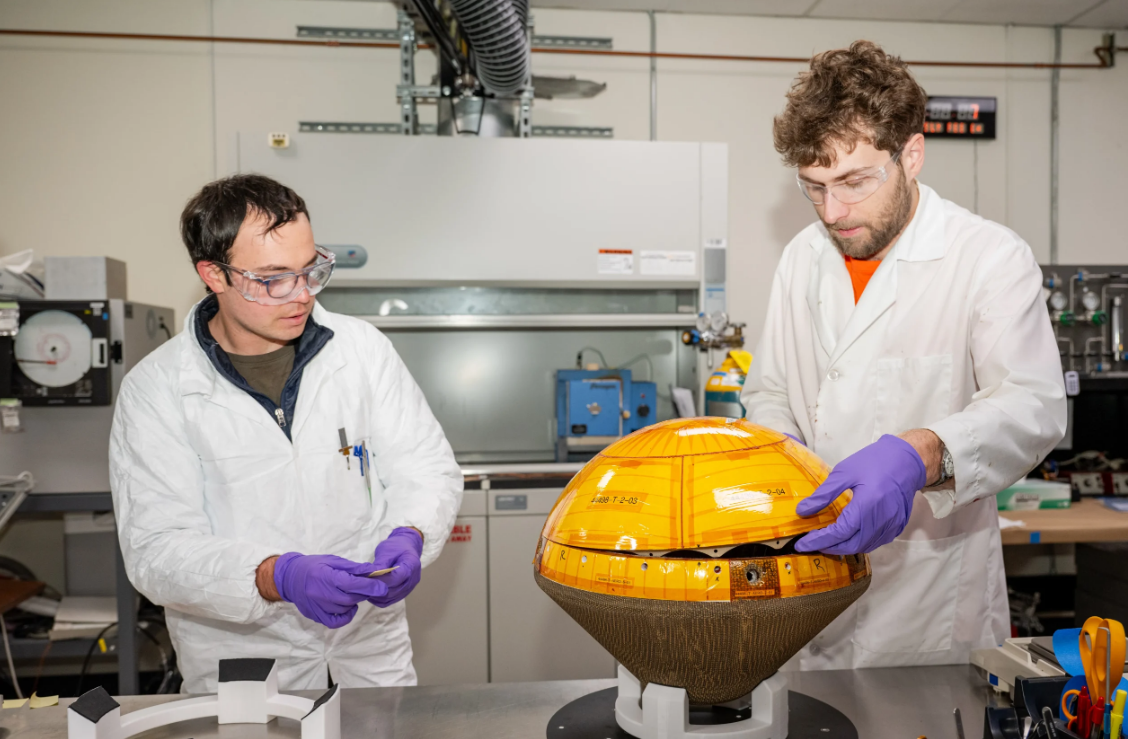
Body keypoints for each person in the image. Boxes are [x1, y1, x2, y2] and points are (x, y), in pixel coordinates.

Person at [742, 41, 1066, 669]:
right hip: (810, 595)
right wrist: (788, 478)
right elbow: (771, 390)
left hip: (933, 607)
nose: (834, 211)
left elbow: (1032, 407)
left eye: (855, 181)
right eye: (814, 186)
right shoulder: (803, 257)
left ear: (910, 154)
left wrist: (922, 454)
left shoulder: (988, 258)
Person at [110, 174, 462, 692]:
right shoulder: (157, 389)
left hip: (367, 647)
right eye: (274, 278)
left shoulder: (360, 349)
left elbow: (425, 467)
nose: (300, 294)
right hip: (246, 659)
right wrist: (275, 575)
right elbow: (157, 551)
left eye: (310, 269)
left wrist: (410, 533)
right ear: (214, 275)